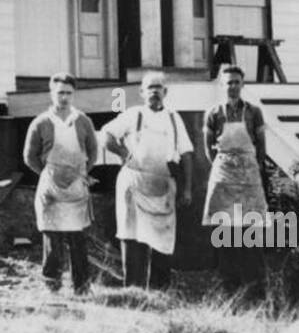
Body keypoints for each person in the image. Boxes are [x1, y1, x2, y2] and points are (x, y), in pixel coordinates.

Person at [102, 71, 193, 290]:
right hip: (134, 184)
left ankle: (159, 292)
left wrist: (187, 189)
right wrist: (124, 154)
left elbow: (187, 154)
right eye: (150, 88)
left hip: (163, 187)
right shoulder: (133, 114)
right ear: (142, 92)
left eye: (158, 87)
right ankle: (133, 290)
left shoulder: (174, 118)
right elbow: (107, 135)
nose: (154, 92)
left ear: (165, 92)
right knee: (131, 236)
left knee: (162, 241)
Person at [23, 73, 100, 294]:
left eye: (68, 93)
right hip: (51, 192)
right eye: (60, 93)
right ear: (52, 94)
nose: (64, 97)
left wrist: (80, 173)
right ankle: (52, 288)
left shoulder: (83, 121)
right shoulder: (41, 123)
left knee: (78, 241)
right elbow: (29, 156)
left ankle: (82, 289)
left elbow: (93, 151)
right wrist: (49, 174)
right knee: (53, 242)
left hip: (76, 190)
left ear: (73, 94)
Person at [203, 66, 269, 298]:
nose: (232, 87)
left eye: (236, 82)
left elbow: (261, 146)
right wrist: (224, 166)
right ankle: (229, 293)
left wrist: (251, 167)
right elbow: (208, 148)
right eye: (228, 82)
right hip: (224, 176)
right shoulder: (213, 113)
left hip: (249, 174)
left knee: (250, 232)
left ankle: (256, 293)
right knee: (225, 234)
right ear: (222, 85)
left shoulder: (254, 112)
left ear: (242, 85)